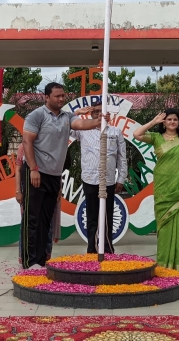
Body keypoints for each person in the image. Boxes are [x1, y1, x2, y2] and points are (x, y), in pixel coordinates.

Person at [20, 82, 102, 268]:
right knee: (32, 218)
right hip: (36, 172)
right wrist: (33, 168)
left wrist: (97, 121)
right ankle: (29, 261)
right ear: (46, 97)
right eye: (57, 96)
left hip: (54, 175)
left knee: (46, 219)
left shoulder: (67, 116)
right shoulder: (37, 115)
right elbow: (27, 141)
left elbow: (81, 124)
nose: (61, 99)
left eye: (63, 96)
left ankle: (41, 260)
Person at [132, 108, 179, 276]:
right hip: (163, 187)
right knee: (164, 227)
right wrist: (152, 122)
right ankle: (164, 263)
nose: (172, 122)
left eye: (175, 120)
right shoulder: (156, 137)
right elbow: (136, 134)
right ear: (164, 122)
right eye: (169, 119)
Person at [70, 105, 127, 254]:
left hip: (108, 181)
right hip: (89, 179)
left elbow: (122, 158)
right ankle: (92, 250)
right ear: (91, 114)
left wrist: (121, 179)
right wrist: (76, 113)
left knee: (107, 216)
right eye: (95, 112)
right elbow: (64, 125)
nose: (98, 115)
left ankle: (107, 249)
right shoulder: (83, 131)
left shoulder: (115, 132)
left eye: (102, 112)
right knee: (92, 216)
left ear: (108, 115)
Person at [15, 143, 61, 263]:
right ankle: (27, 257)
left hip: (48, 186)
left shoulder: (50, 146)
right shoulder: (24, 146)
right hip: (30, 187)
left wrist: (58, 187)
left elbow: (56, 167)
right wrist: (18, 191)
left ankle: (44, 255)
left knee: (46, 222)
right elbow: (18, 169)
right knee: (29, 222)